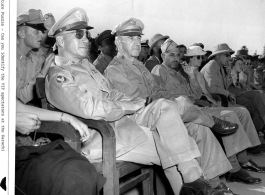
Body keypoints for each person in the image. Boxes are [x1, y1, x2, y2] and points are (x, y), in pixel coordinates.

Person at [45, 9, 232, 195]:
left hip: (121, 127)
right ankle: (198, 182)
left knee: (166, 111)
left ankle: (194, 181)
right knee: (175, 140)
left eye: (86, 33)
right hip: (101, 138)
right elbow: (90, 108)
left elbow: (113, 95)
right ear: (60, 40)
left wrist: (137, 102)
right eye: (78, 34)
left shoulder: (88, 68)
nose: (86, 39)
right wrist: (131, 105)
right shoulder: (59, 75)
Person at [151, 42, 264, 187]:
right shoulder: (158, 69)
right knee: (229, 115)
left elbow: (196, 94)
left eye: (177, 55)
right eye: (171, 54)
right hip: (179, 112)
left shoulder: (179, 74)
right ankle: (234, 169)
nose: (175, 58)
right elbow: (158, 97)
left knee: (236, 113)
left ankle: (240, 162)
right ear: (162, 55)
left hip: (196, 108)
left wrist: (191, 77)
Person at [16, 99, 106, 195]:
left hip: (22, 152)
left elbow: (19, 108)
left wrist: (67, 118)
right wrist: (11, 121)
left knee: (75, 172)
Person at [201, 43, 265, 136]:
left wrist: (228, 73)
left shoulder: (220, 67)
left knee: (252, 105)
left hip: (223, 99)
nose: (229, 58)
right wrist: (228, 93)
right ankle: (251, 139)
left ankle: (253, 138)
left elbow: (226, 85)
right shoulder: (211, 67)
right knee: (245, 109)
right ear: (218, 55)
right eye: (227, 55)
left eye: (230, 55)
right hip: (215, 101)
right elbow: (212, 89)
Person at [17, 9, 54, 105]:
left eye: (42, 31)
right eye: (37, 32)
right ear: (22, 34)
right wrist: (43, 72)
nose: (42, 35)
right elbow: (21, 97)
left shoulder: (35, 59)